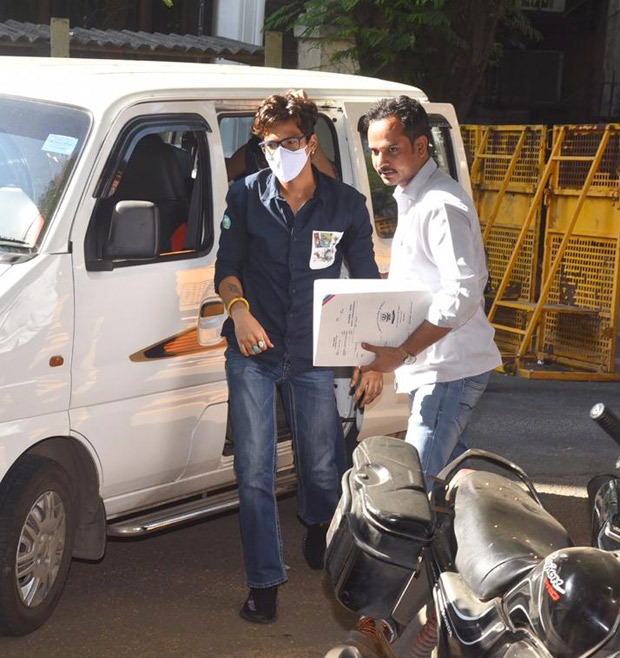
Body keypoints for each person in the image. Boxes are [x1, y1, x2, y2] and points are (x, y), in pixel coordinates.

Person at [336, 95, 502, 658]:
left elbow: (463, 292)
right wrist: (386, 355)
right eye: (375, 150)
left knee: (409, 508)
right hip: (435, 371)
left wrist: (400, 351)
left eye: (393, 149)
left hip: (449, 372)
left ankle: (396, 625)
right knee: (431, 503)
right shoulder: (412, 197)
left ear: (421, 147)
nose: (382, 160)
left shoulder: (440, 204)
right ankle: (443, 617)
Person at [214, 91, 383, 625]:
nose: (280, 153)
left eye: (290, 142)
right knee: (254, 470)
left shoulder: (346, 206)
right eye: (269, 145)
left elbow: (366, 284)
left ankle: (317, 524)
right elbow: (227, 267)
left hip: (314, 354)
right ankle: (264, 583)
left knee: (322, 465)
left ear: (311, 143)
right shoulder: (243, 197)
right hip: (254, 352)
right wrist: (238, 311)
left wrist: (373, 355)